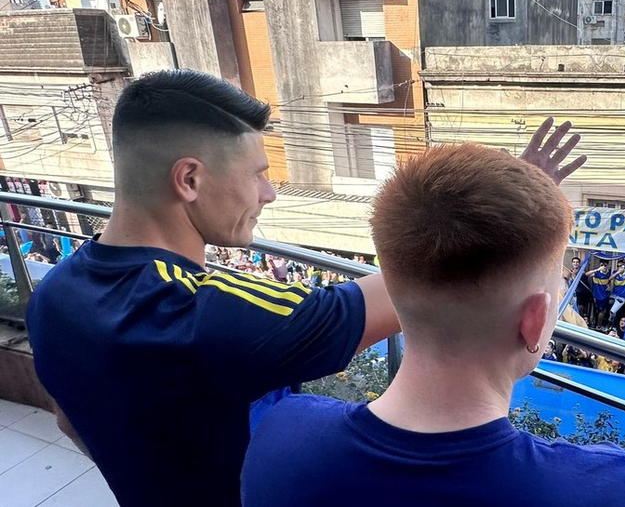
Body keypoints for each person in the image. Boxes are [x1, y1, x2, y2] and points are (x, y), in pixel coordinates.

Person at [23, 72, 401, 506]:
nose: (269, 193)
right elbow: (418, 284)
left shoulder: (53, 294)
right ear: (189, 179)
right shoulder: (201, 315)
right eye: (258, 174)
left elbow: (67, 421)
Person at [242, 142, 625, 506]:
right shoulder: (608, 489)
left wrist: (498, 219)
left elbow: (418, 272)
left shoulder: (280, 434)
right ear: (536, 320)